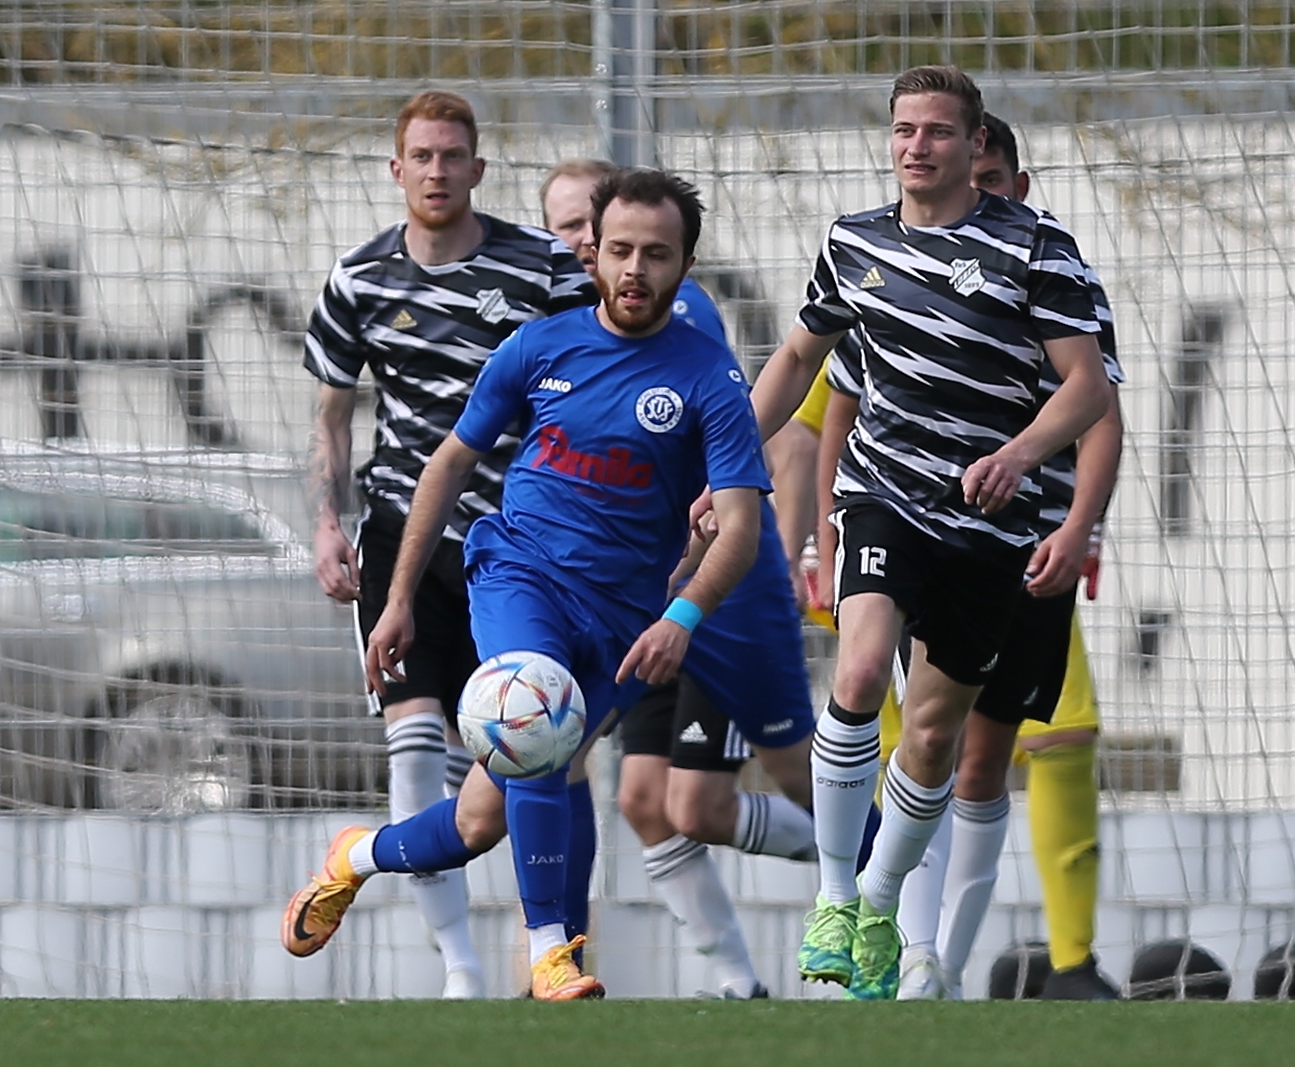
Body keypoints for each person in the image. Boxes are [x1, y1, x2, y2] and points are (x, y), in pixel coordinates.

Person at [284, 168, 770, 1002]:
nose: (634, 269)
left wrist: (684, 614)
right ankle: (550, 950)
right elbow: (445, 467)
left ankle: (353, 857)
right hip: (518, 572)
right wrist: (397, 597)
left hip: (624, 619)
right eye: (619, 249)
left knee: (476, 820)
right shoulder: (540, 347)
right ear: (593, 253)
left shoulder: (709, 377)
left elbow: (742, 526)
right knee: (536, 713)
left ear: (685, 264)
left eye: (657, 254)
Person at [742, 65, 1113, 1000]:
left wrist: (1024, 457)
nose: (917, 146)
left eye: (938, 132)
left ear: (971, 140)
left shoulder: (1040, 250)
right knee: (861, 673)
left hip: (989, 523)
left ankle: (878, 898)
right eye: (904, 129)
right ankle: (834, 900)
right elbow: (799, 359)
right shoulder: (853, 241)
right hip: (883, 497)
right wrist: (731, 461)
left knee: (940, 742)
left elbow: (1089, 388)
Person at [302, 90, 594, 999]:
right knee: (415, 741)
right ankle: (460, 971)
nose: (436, 170)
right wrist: (325, 522)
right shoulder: (358, 280)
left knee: (516, 755)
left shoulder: (542, 267)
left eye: (451, 155)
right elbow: (331, 421)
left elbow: (601, 371)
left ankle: (546, 945)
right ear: (397, 170)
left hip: (520, 542)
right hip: (402, 536)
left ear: (477, 167)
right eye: (420, 156)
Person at [542, 158, 819, 999]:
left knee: (716, 800)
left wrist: (783, 555)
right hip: (638, 600)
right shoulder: (565, 326)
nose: (579, 246)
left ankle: (882, 859)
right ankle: (732, 979)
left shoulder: (673, 322)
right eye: (563, 231)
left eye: (585, 231)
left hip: (712, 600)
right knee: (637, 796)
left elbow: (790, 446)